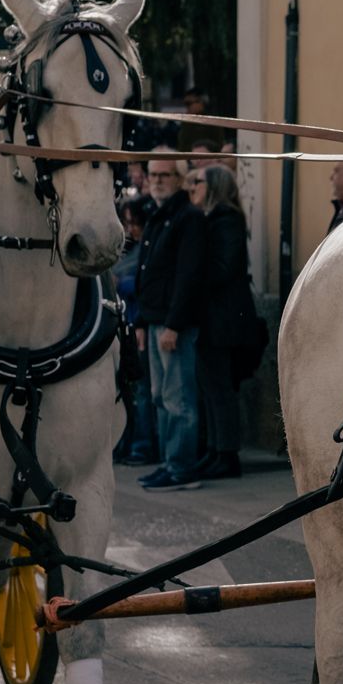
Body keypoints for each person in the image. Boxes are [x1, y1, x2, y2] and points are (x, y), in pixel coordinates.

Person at [135, 158, 208, 491]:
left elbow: (189, 276)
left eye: (165, 174)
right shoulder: (157, 215)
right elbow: (146, 273)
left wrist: (174, 325)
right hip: (154, 320)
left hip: (172, 323)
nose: (158, 180)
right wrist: (141, 320)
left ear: (180, 179)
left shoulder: (188, 218)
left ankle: (181, 467)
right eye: (153, 174)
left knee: (177, 398)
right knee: (160, 396)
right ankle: (169, 463)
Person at [188, 164, 254, 481]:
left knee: (220, 389)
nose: (192, 187)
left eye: (197, 181)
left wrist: (192, 275)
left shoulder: (225, 219)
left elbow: (223, 268)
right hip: (214, 317)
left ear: (213, 185)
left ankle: (226, 455)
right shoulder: (211, 220)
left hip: (223, 319)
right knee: (210, 387)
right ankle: (216, 451)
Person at [112, 195, 159, 466]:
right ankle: (127, 442)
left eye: (134, 222)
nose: (131, 229)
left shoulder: (145, 250)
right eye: (126, 222)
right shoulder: (131, 249)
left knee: (144, 390)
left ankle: (143, 445)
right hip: (126, 322)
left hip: (139, 322)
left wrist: (122, 283)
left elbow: (142, 283)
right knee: (129, 391)